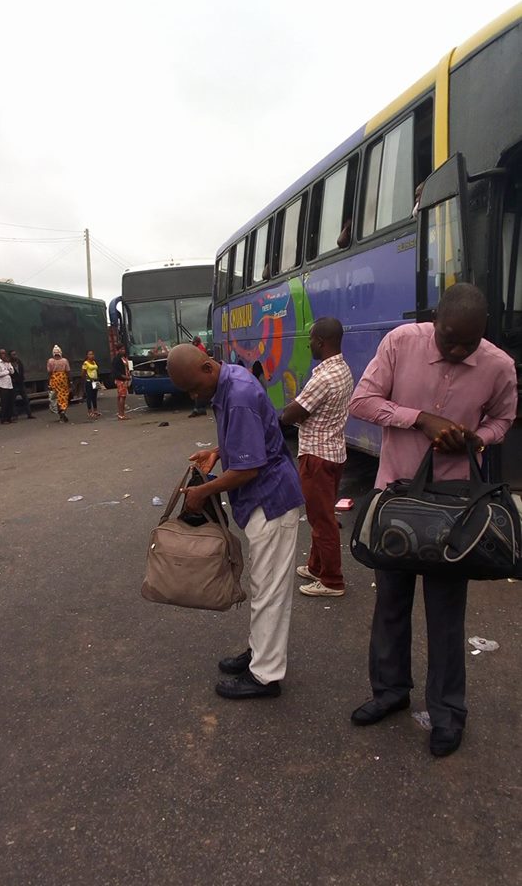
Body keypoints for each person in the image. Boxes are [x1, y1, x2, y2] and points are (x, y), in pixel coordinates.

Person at [348, 283, 517, 757]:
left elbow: (503, 420)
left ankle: (447, 714)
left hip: (455, 510)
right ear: (434, 320)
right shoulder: (401, 343)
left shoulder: (498, 366)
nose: (459, 350)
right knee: (391, 605)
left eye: (470, 342)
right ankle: (390, 693)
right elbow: (361, 402)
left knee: (446, 615)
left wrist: (474, 439)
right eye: (449, 339)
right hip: (398, 498)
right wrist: (420, 419)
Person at [167, 344, 304, 699]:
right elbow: (253, 433)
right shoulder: (229, 382)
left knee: (269, 590)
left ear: (207, 368)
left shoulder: (238, 393)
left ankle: (265, 676)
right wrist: (216, 451)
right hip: (263, 499)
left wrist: (202, 492)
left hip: (271, 500)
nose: (195, 397)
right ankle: (260, 652)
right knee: (262, 585)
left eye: (195, 388)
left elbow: (248, 467)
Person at [281, 317, 354, 597]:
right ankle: (316, 566)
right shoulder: (342, 369)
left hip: (317, 457)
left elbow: (291, 414)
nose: (309, 344)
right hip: (334, 452)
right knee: (321, 514)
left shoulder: (323, 378)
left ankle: (332, 580)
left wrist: (284, 412)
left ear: (321, 342)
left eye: (310, 339)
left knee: (321, 519)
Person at [47, 345, 71, 423]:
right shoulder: (64, 361)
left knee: (56, 397)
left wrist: (49, 382)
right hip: (63, 379)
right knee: (63, 396)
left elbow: (49, 372)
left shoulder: (50, 361)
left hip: (54, 379)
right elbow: (68, 371)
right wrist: (70, 381)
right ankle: (63, 410)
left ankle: (60, 414)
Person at [9, 350, 34, 419]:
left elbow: (22, 370)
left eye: (15, 354)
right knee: (13, 400)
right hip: (14, 383)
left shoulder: (19, 361)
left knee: (26, 399)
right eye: (13, 355)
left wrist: (22, 378)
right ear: (10, 356)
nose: (15, 356)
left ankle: (29, 414)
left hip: (20, 383)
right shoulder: (9, 364)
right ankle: (15, 415)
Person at [0, 349, 15, 424]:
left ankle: (9, 418)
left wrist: (9, 366)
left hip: (9, 385)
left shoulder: (7, 362)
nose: (4, 355)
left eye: (4, 353)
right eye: (2, 353)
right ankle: (3, 419)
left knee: (10, 402)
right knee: (4, 403)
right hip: (3, 385)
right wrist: (7, 372)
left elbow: (12, 371)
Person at [188, 338, 209, 416]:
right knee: (199, 392)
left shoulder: (198, 349)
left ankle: (199, 409)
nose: (192, 343)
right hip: (201, 372)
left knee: (199, 392)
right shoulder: (200, 347)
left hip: (200, 372)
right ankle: (199, 409)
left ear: (196, 342)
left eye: (193, 342)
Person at [112, 344, 130, 420]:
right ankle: (121, 414)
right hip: (121, 380)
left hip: (125, 379)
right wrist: (124, 376)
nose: (123, 351)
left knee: (122, 396)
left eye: (124, 349)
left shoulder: (124, 358)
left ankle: (121, 414)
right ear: (118, 350)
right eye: (121, 349)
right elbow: (115, 371)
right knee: (122, 396)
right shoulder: (116, 359)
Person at [82, 350, 101, 419]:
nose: (91, 355)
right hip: (89, 381)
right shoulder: (85, 363)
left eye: (92, 354)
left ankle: (95, 410)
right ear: (87, 355)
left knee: (94, 396)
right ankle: (89, 411)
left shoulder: (94, 362)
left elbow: (96, 370)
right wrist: (86, 378)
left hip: (95, 381)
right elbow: (83, 373)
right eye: (90, 354)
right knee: (89, 396)